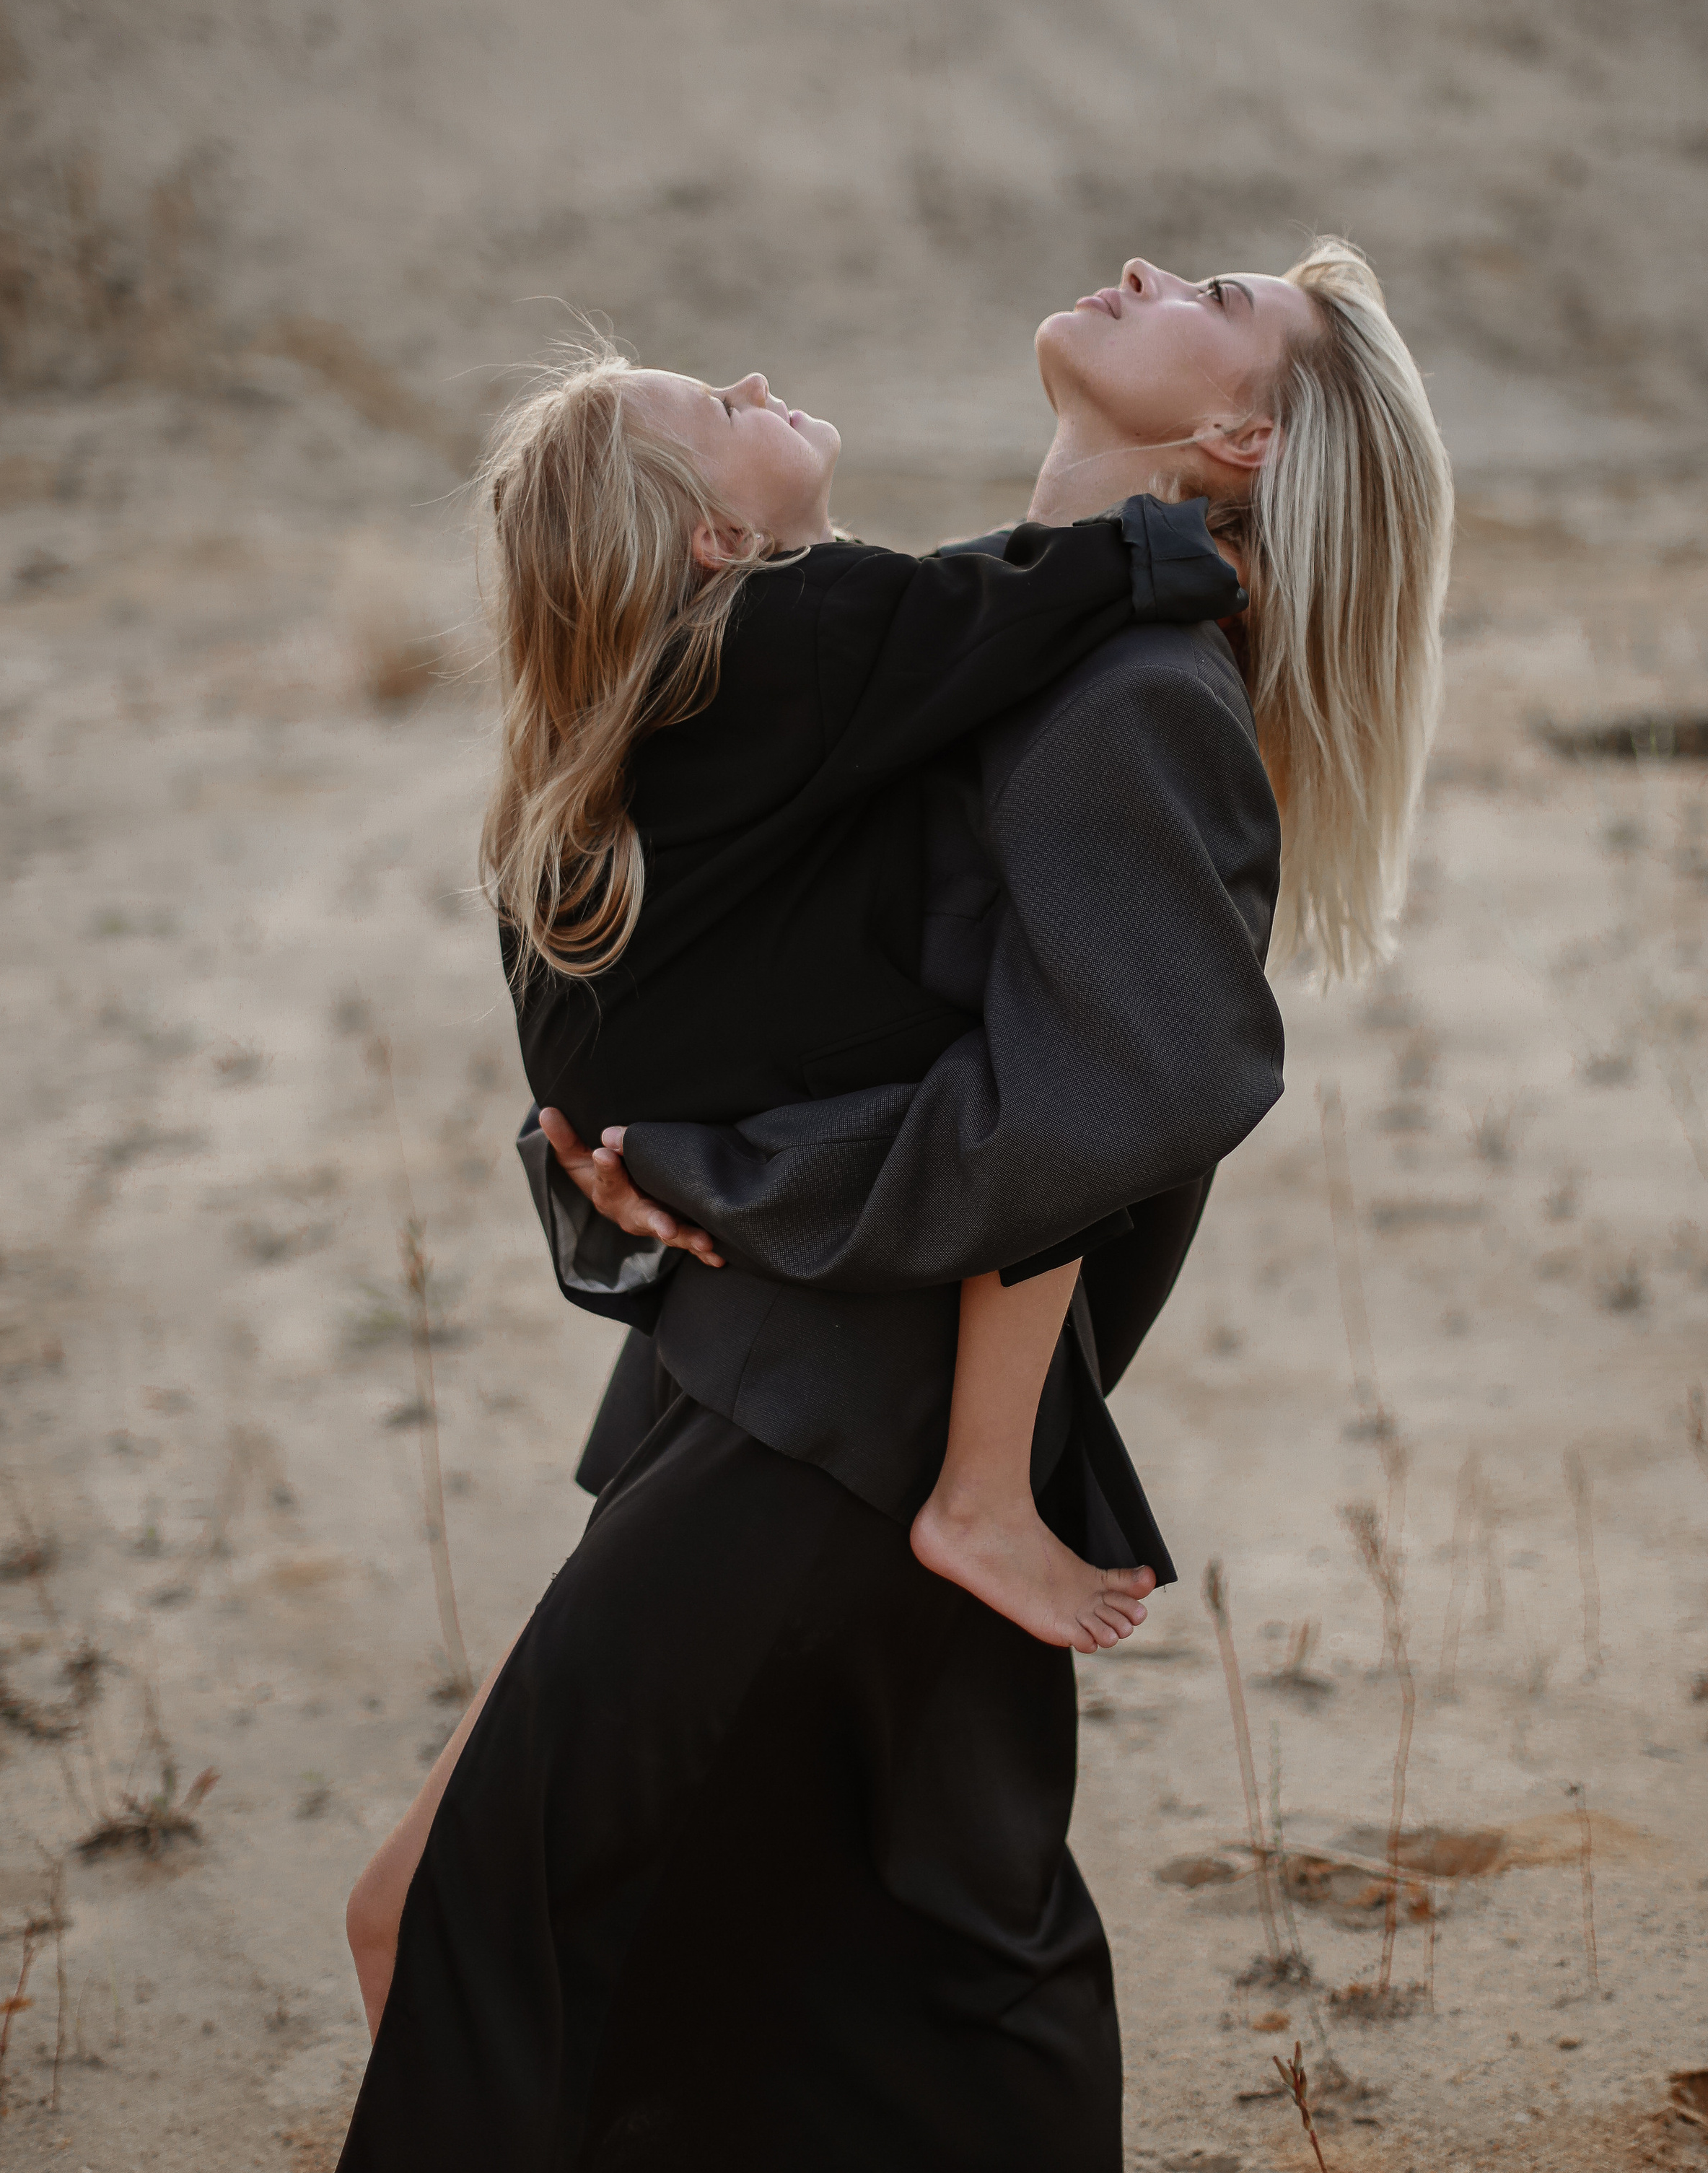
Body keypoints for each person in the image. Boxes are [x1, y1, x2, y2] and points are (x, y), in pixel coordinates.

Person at [299, 239, 1452, 2173]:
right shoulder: (984, 631)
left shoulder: (1125, 694)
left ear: (1240, 443)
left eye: (1214, 288)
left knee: (474, 1925)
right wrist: (621, 1162)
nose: (1143, 262)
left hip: (853, 1421)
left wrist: (933, 1412)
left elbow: (1118, 1099)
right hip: (776, 1386)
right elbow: (758, 986)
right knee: (951, 1908)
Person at [485, 347, 1253, 1649]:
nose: (753, 375)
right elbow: (1033, 591)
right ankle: (983, 1496)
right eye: (724, 409)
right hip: (686, 1063)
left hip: (620, 1067)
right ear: (718, 536)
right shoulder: (807, 622)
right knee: (1054, 1048)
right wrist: (1193, 559)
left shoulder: (692, 667)